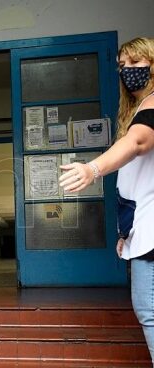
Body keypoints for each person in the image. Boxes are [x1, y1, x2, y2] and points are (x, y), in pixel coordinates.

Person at [59, 37, 154, 363]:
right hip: (143, 231)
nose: (128, 71)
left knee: (150, 311)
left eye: (136, 63)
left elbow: (139, 142)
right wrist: (127, 234)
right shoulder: (138, 108)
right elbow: (139, 182)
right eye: (122, 66)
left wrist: (93, 168)